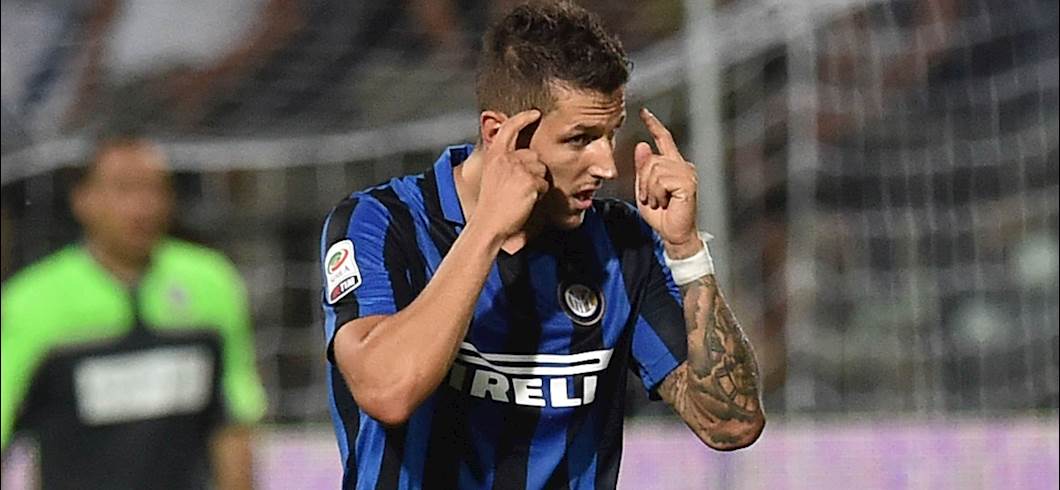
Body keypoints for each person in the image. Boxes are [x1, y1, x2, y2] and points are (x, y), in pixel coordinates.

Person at [319, 2, 765, 488]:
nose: (607, 165)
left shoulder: (620, 245)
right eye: (579, 139)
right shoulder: (383, 223)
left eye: (610, 135)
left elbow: (731, 425)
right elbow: (387, 391)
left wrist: (686, 251)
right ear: (500, 134)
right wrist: (488, 229)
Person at [1, 137, 267, 489]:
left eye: (156, 189)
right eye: (124, 189)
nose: (144, 206)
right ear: (83, 200)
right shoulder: (32, 300)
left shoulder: (211, 282)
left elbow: (233, 421)